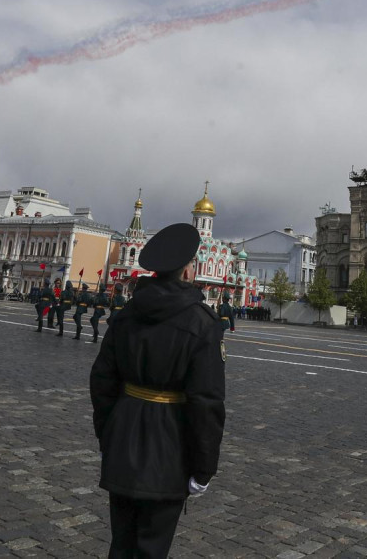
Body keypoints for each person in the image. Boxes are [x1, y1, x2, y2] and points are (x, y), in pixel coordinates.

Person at [90, 223, 225, 558]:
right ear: (187, 270)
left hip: (123, 438)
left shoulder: (127, 314)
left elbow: (103, 381)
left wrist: (108, 436)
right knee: (153, 547)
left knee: (121, 542)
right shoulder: (202, 322)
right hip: (170, 448)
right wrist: (204, 467)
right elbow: (206, 401)